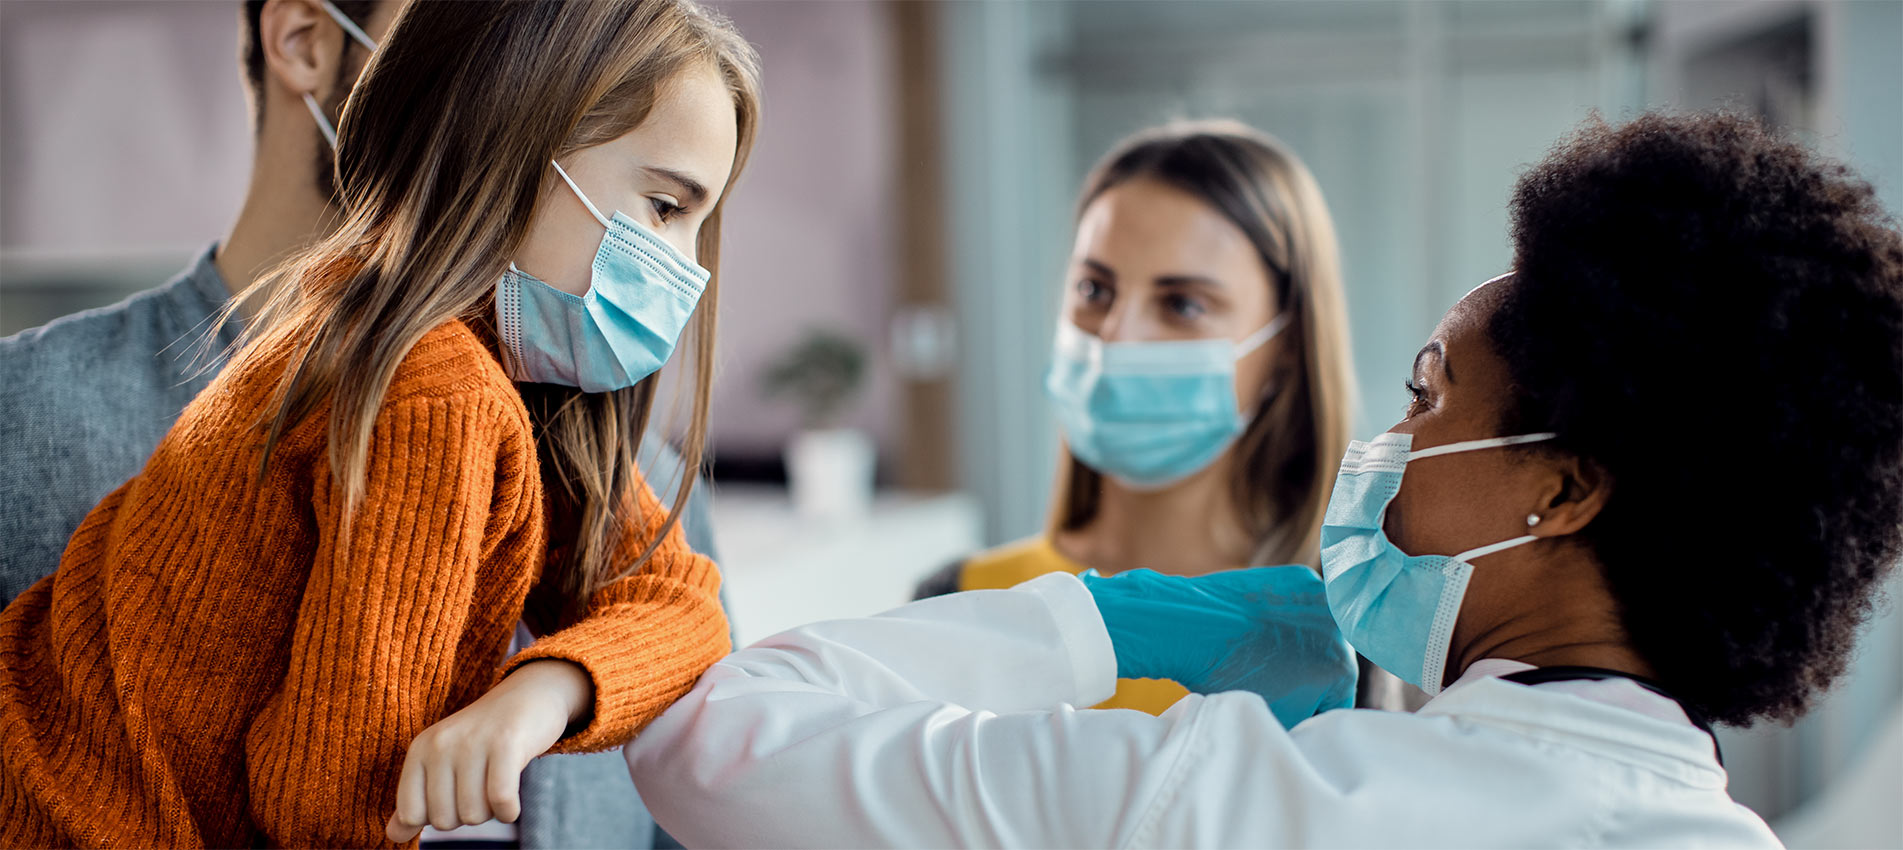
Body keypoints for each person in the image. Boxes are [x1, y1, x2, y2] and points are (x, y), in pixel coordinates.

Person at [624, 112, 1903, 847]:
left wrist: (1110, 621)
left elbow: (714, 744)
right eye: (1094, 292)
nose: (1391, 443)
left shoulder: (1248, 793)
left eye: (1429, 395)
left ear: (1560, 490)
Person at [0, 1, 761, 846]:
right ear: (505, 137)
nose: (684, 270)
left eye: (697, 219)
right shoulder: (433, 389)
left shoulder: (485, 375)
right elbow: (328, 800)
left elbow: (682, 603)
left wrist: (544, 690)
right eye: (662, 208)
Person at [916, 120, 1395, 718]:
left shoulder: (1340, 634)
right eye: (1094, 289)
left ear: (1288, 346)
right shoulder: (961, 597)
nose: (1116, 335)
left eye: (1182, 304)